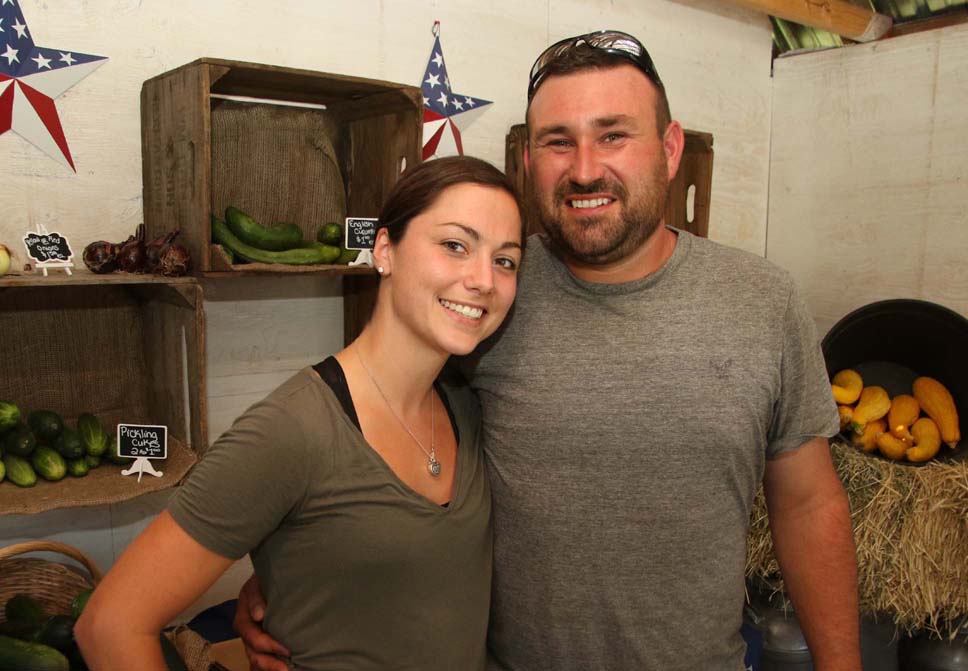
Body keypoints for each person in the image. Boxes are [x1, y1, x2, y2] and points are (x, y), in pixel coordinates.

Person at [236, 30, 861, 671]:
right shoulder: (486, 297)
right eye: (558, 142)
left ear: (670, 149)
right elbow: (380, 438)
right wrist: (297, 578)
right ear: (529, 161)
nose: (585, 169)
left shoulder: (761, 300)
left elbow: (809, 503)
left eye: (614, 135)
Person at [74, 155, 525, 671]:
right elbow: (109, 624)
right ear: (385, 249)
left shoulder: (466, 408)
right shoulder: (290, 430)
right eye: (454, 245)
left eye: (505, 260)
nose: (484, 279)